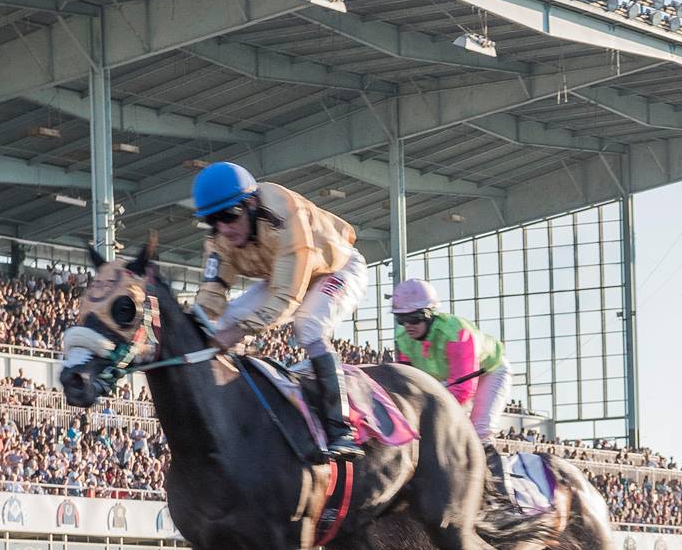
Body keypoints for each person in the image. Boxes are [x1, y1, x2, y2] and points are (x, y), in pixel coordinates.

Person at [188, 162, 364, 461]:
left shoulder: (284, 215)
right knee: (221, 323)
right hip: (283, 275)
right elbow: (213, 291)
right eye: (213, 220)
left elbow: (287, 298)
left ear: (252, 203)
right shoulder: (220, 239)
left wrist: (238, 332)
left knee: (308, 325)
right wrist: (195, 322)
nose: (224, 228)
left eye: (229, 216)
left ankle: (340, 428)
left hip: (336, 270)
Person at [389, 278, 514, 450]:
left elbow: (464, 390)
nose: (408, 325)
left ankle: (498, 476)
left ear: (430, 313)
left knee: (479, 430)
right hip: (452, 377)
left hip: (489, 372)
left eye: (414, 318)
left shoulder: (457, 334)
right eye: (401, 319)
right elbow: (408, 383)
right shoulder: (403, 338)